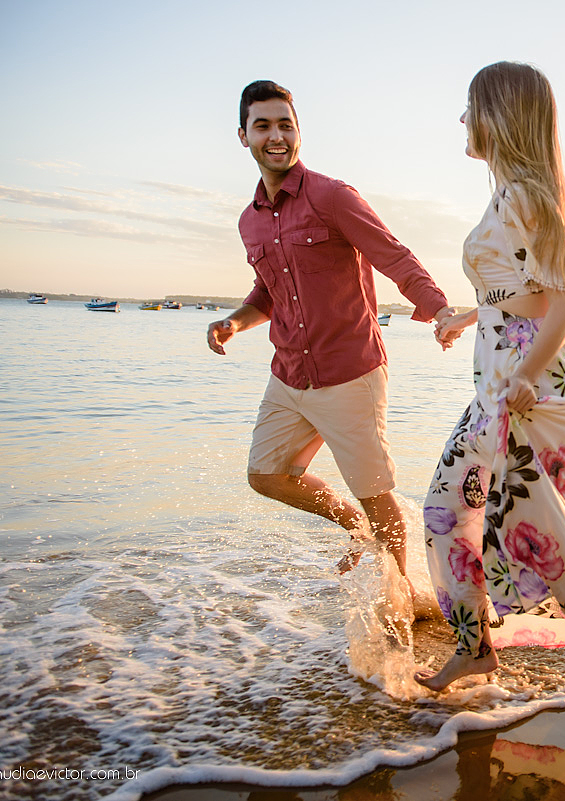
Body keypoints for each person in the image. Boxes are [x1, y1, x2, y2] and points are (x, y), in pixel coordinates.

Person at [416, 62, 565, 700]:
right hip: (506, 378)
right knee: (455, 508)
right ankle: (476, 648)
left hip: (533, 386)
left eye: (470, 107)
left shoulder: (528, 198)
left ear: (501, 116)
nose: (461, 120)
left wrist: (527, 378)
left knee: (521, 520)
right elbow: (523, 294)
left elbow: (564, 306)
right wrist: (470, 313)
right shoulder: (511, 193)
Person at [208, 80, 455, 584]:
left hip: (349, 371)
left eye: (285, 125)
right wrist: (235, 321)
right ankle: (355, 527)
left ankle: (399, 599)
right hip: (289, 374)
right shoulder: (249, 221)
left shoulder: (333, 196)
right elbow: (269, 290)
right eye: (263, 126)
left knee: (374, 492)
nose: (276, 136)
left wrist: (440, 310)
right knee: (266, 475)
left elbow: (393, 255)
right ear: (243, 136)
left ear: (298, 133)